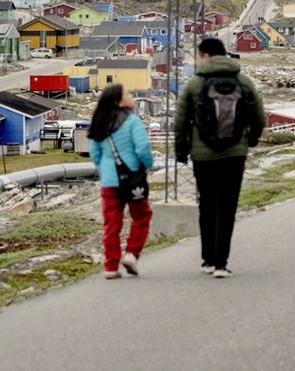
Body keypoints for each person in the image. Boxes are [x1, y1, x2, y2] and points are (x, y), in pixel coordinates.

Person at [174, 38, 265, 278]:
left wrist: (181, 151)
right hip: (235, 153)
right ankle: (221, 263)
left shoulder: (195, 84)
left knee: (207, 204)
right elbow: (259, 116)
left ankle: (207, 260)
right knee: (227, 205)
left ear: (204, 56)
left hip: (203, 155)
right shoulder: (243, 81)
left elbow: (180, 122)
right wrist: (251, 140)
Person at [89, 84, 154, 279]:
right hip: (133, 179)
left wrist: (108, 170)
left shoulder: (100, 123)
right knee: (142, 216)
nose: (131, 95)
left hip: (109, 182)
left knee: (111, 224)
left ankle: (110, 266)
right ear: (119, 101)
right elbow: (142, 148)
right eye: (127, 93)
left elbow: (95, 154)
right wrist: (146, 166)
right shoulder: (132, 121)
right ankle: (132, 254)